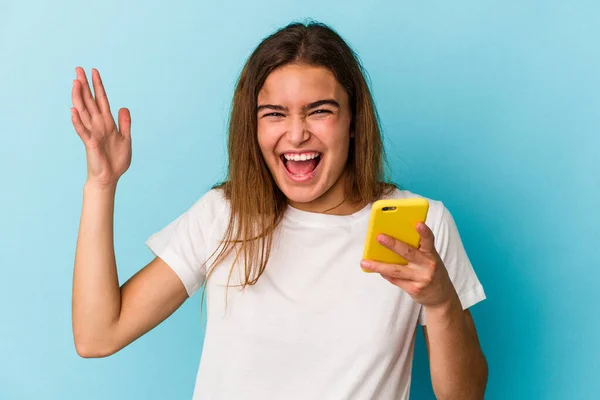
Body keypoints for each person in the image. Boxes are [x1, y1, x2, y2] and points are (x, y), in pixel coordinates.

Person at [71, 21, 488, 400]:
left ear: (354, 120)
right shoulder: (225, 215)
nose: (296, 133)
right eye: (275, 114)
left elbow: (465, 395)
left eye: (319, 111)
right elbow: (97, 336)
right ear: (253, 127)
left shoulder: (420, 224)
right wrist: (101, 184)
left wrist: (441, 302)